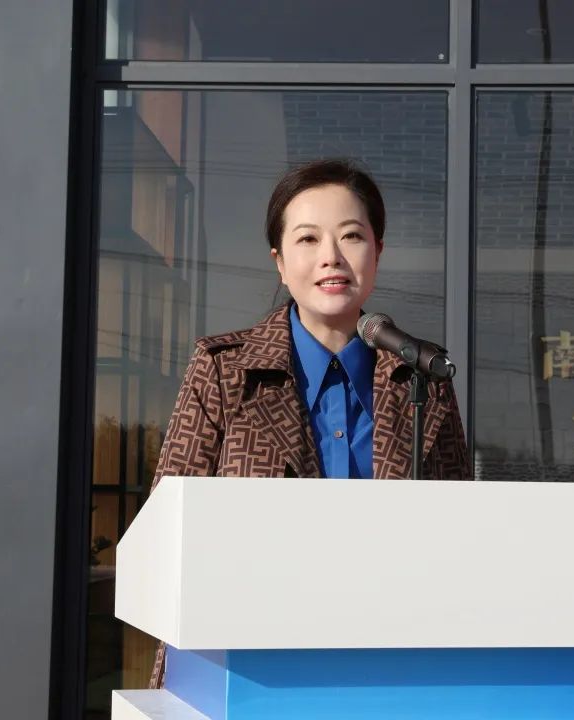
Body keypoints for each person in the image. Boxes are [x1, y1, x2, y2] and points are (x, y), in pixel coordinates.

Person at [146, 158, 471, 688]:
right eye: (308, 239)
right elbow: (167, 533)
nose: (331, 257)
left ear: (378, 251)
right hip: (249, 672)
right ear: (279, 261)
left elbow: (461, 541)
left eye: (351, 236)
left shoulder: (422, 378)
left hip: (392, 667)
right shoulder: (224, 371)